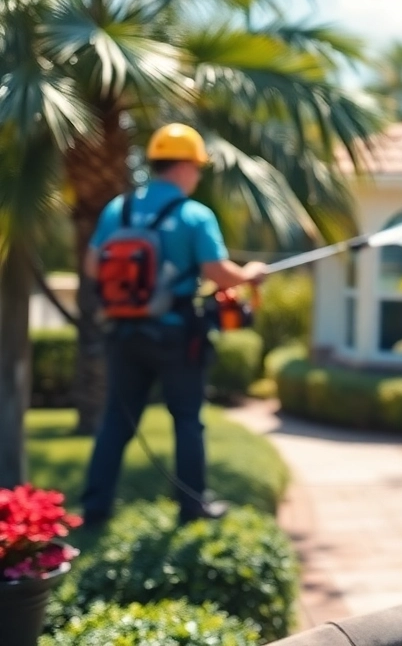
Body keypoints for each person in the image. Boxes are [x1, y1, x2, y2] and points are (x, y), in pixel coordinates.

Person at [80, 123, 268, 527]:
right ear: (183, 166)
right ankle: (191, 506)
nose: (197, 175)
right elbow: (218, 273)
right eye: (197, 167)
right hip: (176, 334)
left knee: (117, 419)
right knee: (186, 419)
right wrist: (251, 273)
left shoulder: (120, 208)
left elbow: (93, 264)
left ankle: (94, 510)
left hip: (124, 332)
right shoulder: (194, 215)